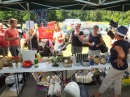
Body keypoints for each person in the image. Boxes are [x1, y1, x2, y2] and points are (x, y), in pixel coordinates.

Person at [92, 26, 130, 97]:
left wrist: (119, 59)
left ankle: (96, 95)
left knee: (106, 82)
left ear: (117, 34)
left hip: (117, 67)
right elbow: (127, 51)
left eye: (115, 33)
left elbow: (121, 54)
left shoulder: (117, 43)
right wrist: (123, 56)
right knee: (117, 82)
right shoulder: (126, 42)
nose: (114, 34)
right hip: (123, 66)